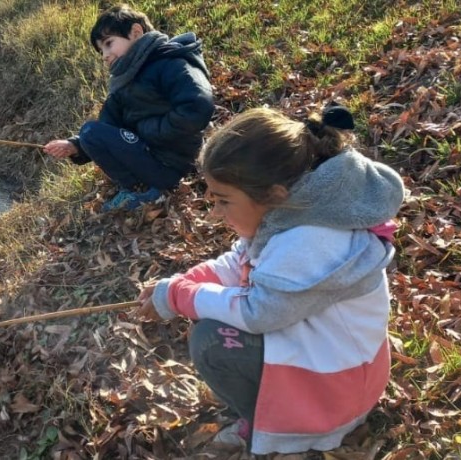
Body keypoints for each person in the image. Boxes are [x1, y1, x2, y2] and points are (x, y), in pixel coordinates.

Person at [134, 105, 405, 454]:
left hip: (336, 396)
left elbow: (258, 312)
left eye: (224, 201)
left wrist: (180, 297)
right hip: (336, 366)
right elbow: (240, 260)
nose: (216, 213)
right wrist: (182, 282)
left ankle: (280, 430)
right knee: (210, 313)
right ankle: (275, 410)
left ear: (273, 194)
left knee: (212, 339)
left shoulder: (308, 240)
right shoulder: (296, 211)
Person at [43, 4, 214, 211]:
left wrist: (148, 132)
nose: (105, 55)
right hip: (149, 156)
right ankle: (136, 187)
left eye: (108, 43)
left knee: (91, 131)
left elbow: (197, 106)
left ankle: (148, 191)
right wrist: (75, 146)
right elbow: (108, 127)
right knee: (89, 132)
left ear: (135, 32)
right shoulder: (124, 83)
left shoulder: (172, 63)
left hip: (172, 163)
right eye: (101, 51)